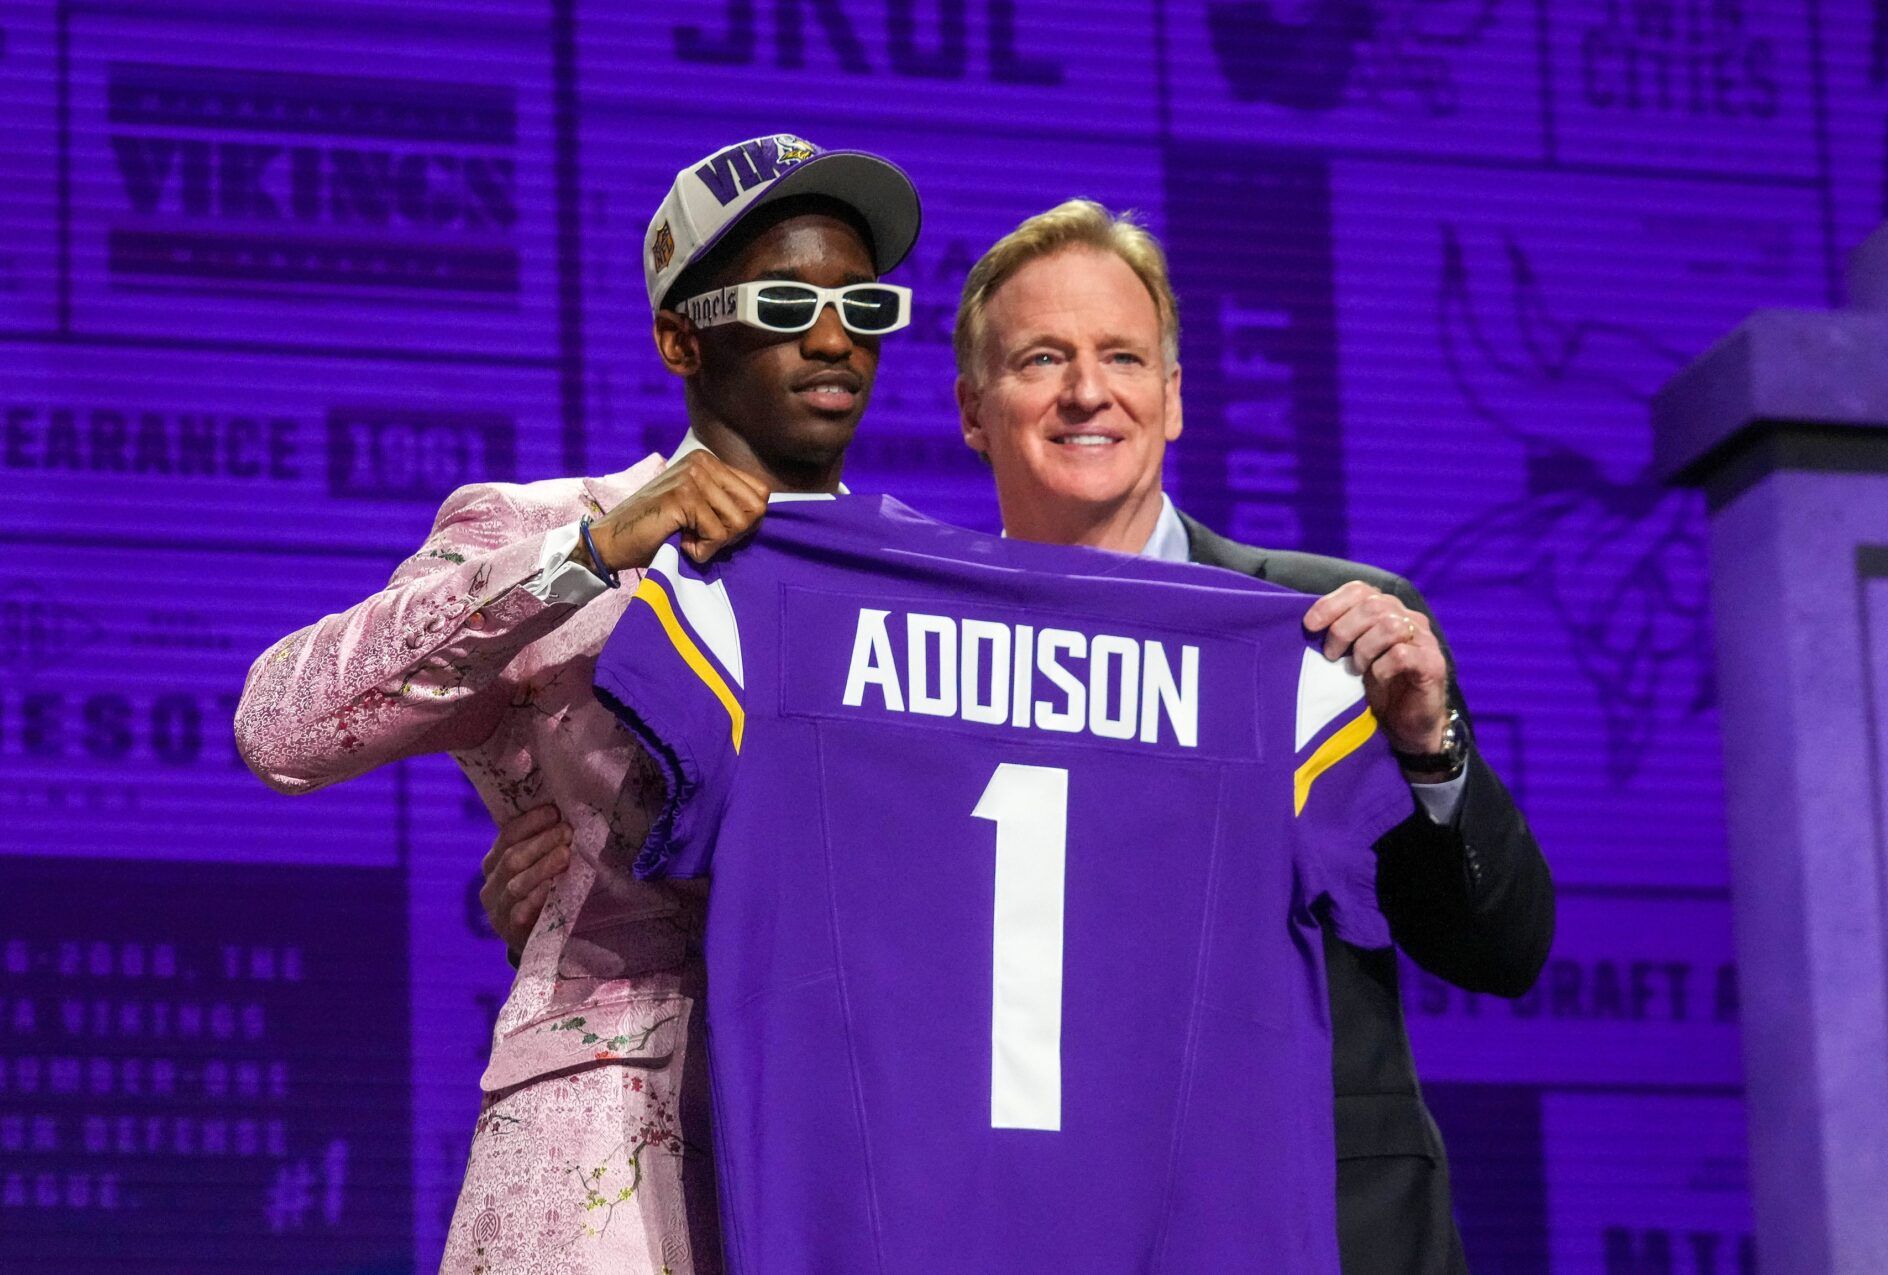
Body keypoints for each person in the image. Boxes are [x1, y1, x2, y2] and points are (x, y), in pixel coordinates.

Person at [483, 199, 1553, 1273]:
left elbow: (1500, 951)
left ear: (1174, 398)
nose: (1088, 392)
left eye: (1123, 358)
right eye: (1043, 358)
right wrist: (592, 878)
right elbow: (828, 902)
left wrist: (1430, 745)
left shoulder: (1326, 635)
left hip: (1298, 1226)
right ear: (970, 409)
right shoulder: (876, 644)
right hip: (978, 1223)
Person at [233, 133, 921, 1273]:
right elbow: (282, 726)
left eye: (865, 306)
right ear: (678, 337)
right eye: (788, 300)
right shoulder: (552, 530)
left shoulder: (922, 581)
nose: (835, 338)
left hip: (858, 1139)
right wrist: (598, 551)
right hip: (605, 1150)